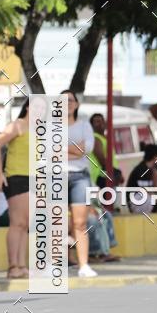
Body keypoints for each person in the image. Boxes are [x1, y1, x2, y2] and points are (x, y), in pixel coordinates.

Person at [0, 99, 30, 278]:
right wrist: (0, 173)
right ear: (27, 107)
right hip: (16, 177)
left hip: (33, 178)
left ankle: (21, 265)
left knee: (25, 224)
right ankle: (13, 266)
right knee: (17, 222)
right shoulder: (17, 125)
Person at [61, 90, 97, 278]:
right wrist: (76, 150)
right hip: (55, 176)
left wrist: (61, 149)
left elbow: (87, 149)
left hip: (80, 177)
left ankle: (84, 266)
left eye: (70, 100)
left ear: (76, 104)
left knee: (80, 223)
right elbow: (47, 151)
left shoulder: (84, 125)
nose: (67, 103)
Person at [89, 113, 123, 189]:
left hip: (109, 174)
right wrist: (116, 172)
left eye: (102, 121)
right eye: (97, 121)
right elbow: (101, 159)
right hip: (102, 175)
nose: (101, 123)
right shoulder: (95, 138)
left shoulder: (105, 138)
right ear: (92, 125)